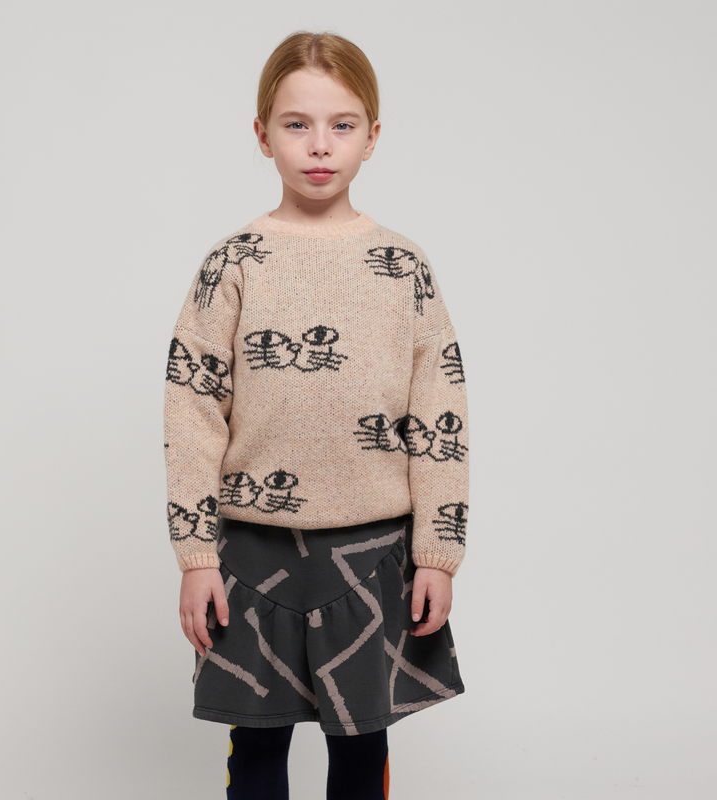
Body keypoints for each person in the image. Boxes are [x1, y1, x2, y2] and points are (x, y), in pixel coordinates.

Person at [164, 30, 469, 800]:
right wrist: (197, 558)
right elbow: (192, 411)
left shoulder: (404, 268)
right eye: (297, 124)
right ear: (262, 133)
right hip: (251, 552)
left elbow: (440, 416)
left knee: (362, 750)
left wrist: (438, 553)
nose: (320, 145)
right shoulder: (232, 264)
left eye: (342, 124)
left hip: (374, 550)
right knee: (256, 747)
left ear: (374, 135)